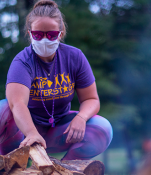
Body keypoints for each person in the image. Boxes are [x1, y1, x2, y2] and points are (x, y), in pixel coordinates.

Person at [0, 0, 113, 160]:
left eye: (51, 35)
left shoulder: (75, 57)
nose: (44, 40)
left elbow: (91, 99)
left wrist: (81, 118)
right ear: (29, 32)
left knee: (103, 128)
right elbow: (17, 104)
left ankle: (64, 171)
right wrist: (32, 133)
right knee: (2, 109)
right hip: (23, 133)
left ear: (61, 32)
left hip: (59, 130)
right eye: (38, 34)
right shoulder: (22, 62)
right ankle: (13, 164)